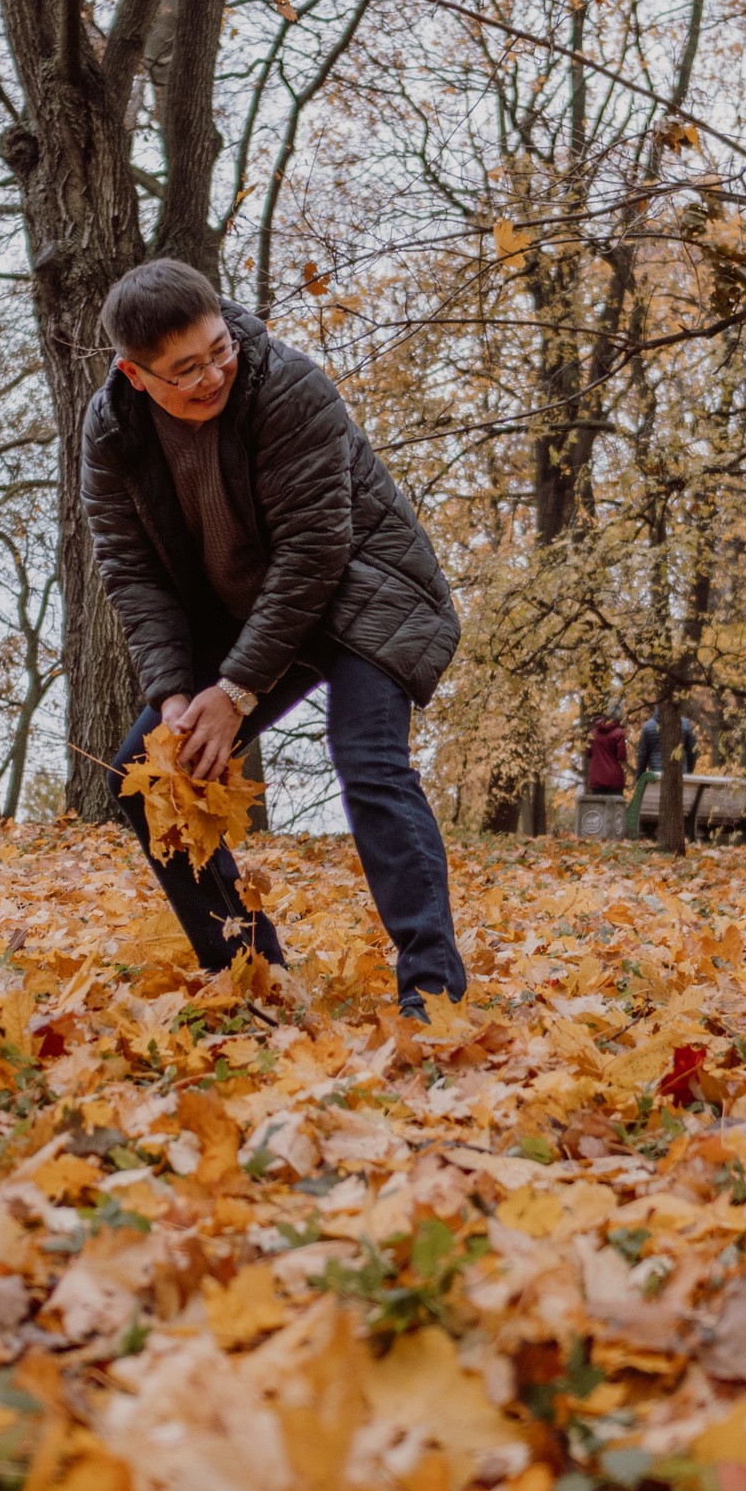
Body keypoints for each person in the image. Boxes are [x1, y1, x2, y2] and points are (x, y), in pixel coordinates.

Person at [80, 259, 468, 1020]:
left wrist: (236, 691)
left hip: (364, 586)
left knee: (369, 758)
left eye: (219, 349)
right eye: (186, 369)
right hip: (249, 604)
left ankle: (433, 993)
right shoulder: (113, 434)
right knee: (151, 772)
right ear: (134, 375)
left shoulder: (288, 386)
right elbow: (133, 572)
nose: (213, 375)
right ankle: (253, 974)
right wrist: (175, 694)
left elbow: (314, 553)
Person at [585, 711, 630, 794]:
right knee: (616, 802)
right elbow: (621, 757)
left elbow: (587, 752)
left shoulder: (593, 732)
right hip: (614, 778)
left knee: (598, 802)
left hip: (597, 777)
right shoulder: (619, 733)